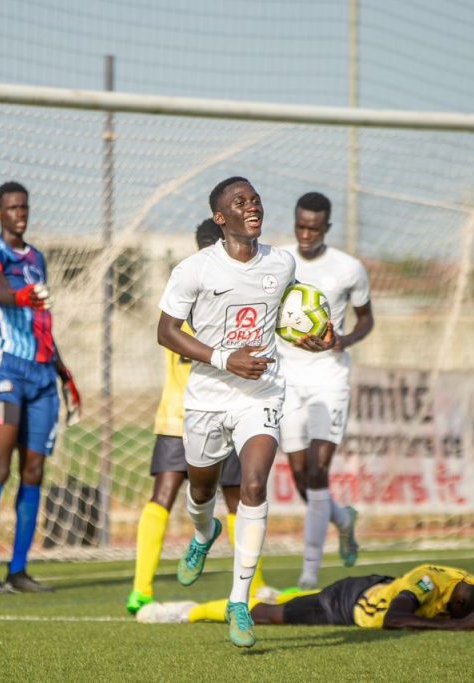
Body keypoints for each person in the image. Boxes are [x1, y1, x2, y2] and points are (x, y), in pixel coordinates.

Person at [156, 177, 333, 648]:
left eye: (255, 199)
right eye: (240, 202)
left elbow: (293, 310)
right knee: (201, 491)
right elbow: (166, 332)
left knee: (253, 484)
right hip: (209, 393)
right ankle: (202, 530)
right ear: (221, 218)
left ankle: (239, 600)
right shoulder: (193, 269)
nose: (251, 205)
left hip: (262, 393)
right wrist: (222, 358)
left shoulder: (281, 262)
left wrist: (315, 335)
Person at [126, 219, 269, 615]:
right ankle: (140, 590)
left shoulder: (238, 295)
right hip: (180, 414)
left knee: (237, 498)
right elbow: (171, 335)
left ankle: (253, 589)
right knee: (172, 497)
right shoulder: (188, 289)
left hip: (228, 411)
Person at [0, 181, 82, 594]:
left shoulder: (36, 257)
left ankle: (18, 570)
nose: (20, 213)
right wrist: (22, 297)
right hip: (4, 374)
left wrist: (62, 370)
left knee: (33, 471)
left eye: (24, 207)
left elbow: (41, 322)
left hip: (40, 376)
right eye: (12, 207)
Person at [276, 192, 374, 589]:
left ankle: (309, 573)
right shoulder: (278, 261)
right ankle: (342, 518)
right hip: (285, 377)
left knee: (318, 471)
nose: (305, 234)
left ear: (326, 228)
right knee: (299, 474)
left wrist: (344, 341)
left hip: (329, 377)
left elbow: (367, 320)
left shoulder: (349, 269)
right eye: (300, 225)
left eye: (313, 228)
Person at [137, 562, 474, 633]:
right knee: (266, 614)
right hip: (348, 603)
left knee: (282, 601)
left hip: (376, 583)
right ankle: (186, 611)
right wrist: (455, 626)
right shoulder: (427, 583)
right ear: (456, 604)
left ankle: (278, 590)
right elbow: (393, 620)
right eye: (458, 611)